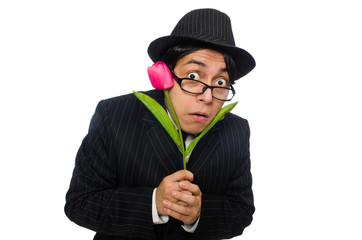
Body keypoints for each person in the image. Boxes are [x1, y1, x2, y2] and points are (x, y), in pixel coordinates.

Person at [65, 8, 255, 240]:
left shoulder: (236, 130)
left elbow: (242, 212)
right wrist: (155, 202)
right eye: (194, 76)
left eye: (220, 81)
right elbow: (80, 203)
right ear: (165, 75)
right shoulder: (114, 115)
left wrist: (197, 214)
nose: (207, 97)